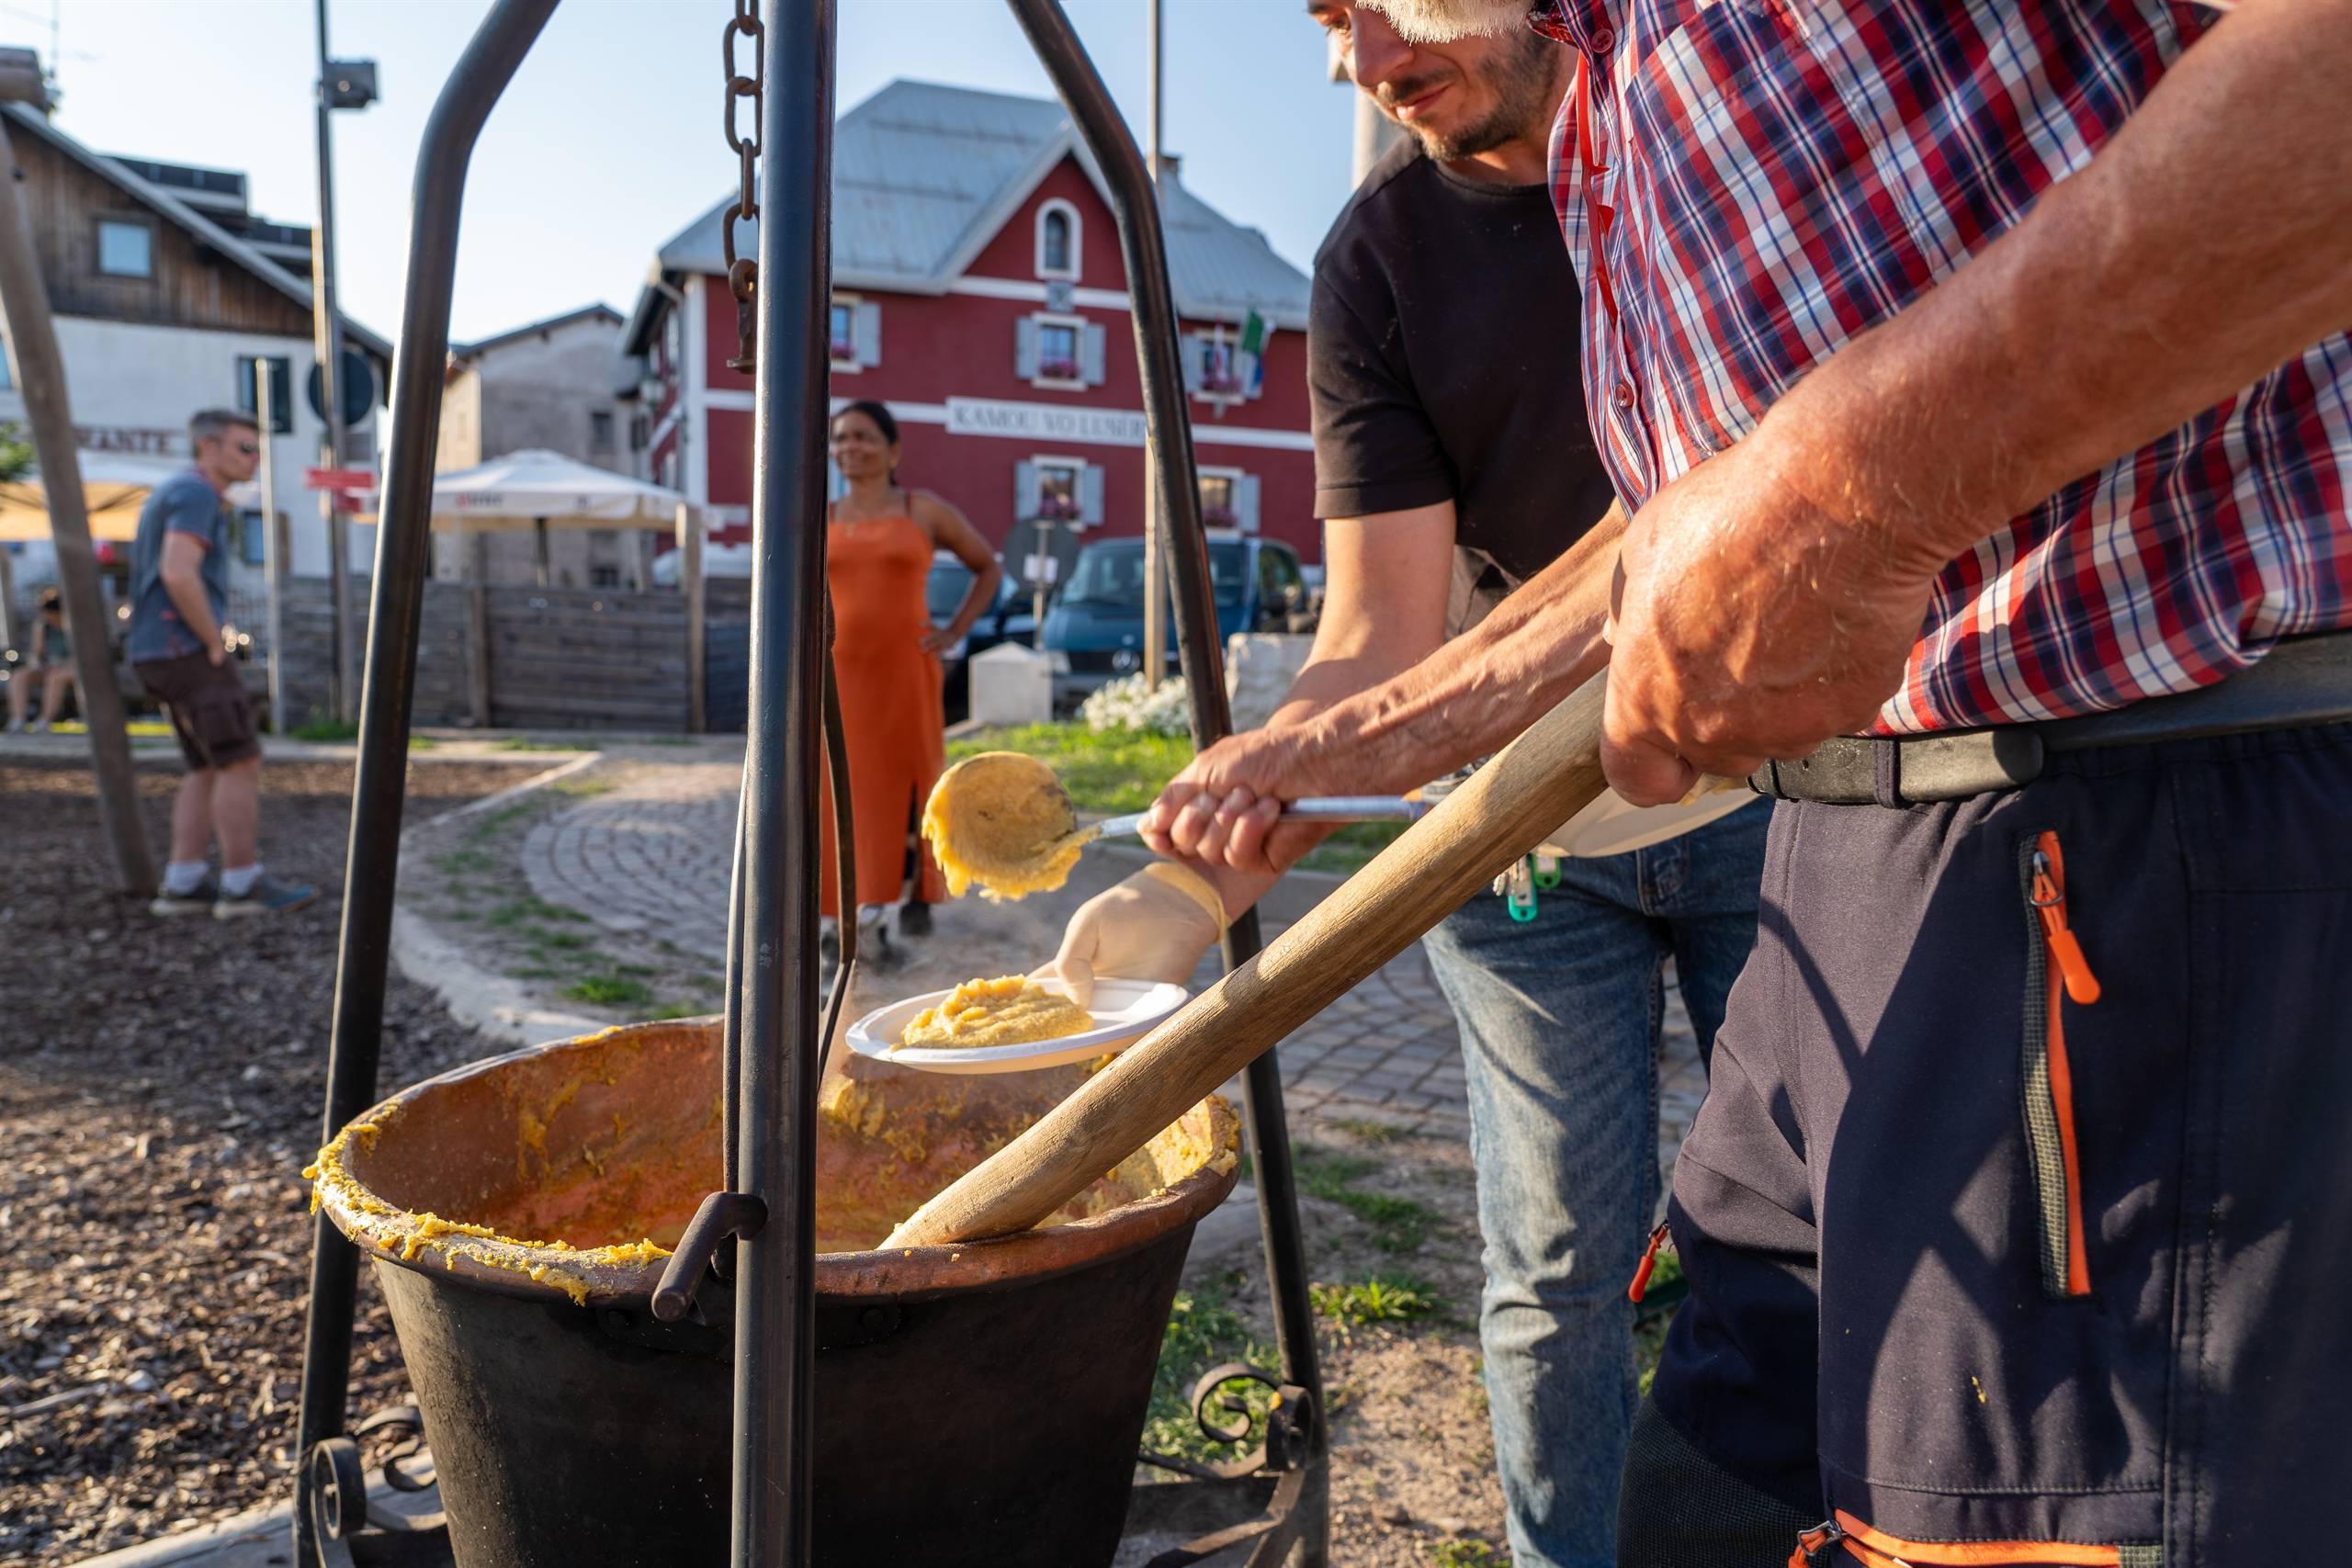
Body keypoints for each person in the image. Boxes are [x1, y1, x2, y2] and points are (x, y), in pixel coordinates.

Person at [1156, 2, 2352, 1563]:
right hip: (1851, 846)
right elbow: (1700, 507)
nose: (1351, 53)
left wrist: (1841, 498)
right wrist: (1373, 738)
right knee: (1709, 1507)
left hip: (2134, 841)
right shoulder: (1610, 88)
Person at [1050, 8, 1760, 1564]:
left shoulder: (1718, 155)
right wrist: (1203, 866)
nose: (1349, 57)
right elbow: (1376, 632)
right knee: (1559, 1262)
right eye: (1317, 20)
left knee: (1803, 1238)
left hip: (1773, 800)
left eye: (1368, 0)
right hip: (1513, 845)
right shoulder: (1375, 265)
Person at [821, 400, 1001, 956]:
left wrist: (953, 633)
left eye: (864, 437)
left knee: (905, 786)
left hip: (905, 671)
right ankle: (835, 914)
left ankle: (892, 907)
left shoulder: (923, 510)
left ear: (893, 450)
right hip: (838, 673)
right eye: (842, 437)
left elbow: (988, 567)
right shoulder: (820, 514)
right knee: (838, 788)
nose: (851, 446)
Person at [130, 410, 315, 919]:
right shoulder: (196, 494)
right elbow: (178, 572)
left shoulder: (176, 491)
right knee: (240, 759)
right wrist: (215, 642)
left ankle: (185, 881)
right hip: (184, 648)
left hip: (158, 650)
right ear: (209, 448)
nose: (255, 459)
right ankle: (242, 884)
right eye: (245, 448)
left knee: (207, 764)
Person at [5, 586, 70, 732]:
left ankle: (44, 721)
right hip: (48, 667)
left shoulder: (72, 627)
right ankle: (18, 719)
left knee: (55, 678)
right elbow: (36, 654)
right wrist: (37, 664)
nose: (47, 617)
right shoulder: (43, 626)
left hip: (70, 669)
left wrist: (62, 665)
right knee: (18, 676)